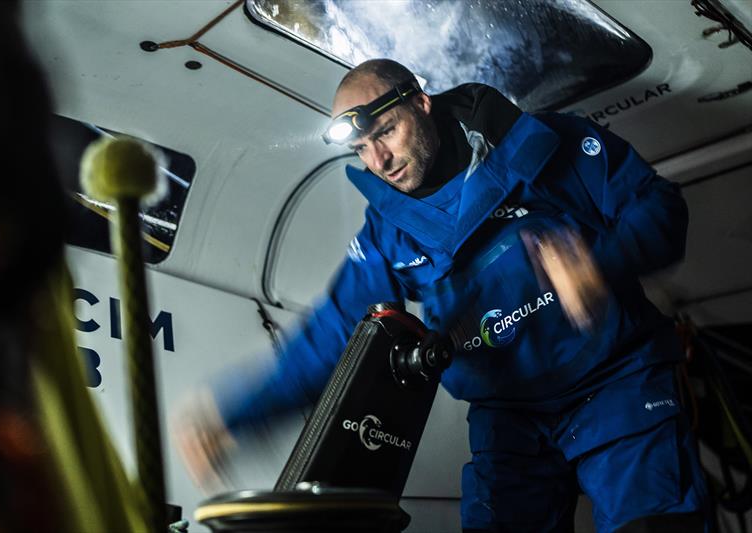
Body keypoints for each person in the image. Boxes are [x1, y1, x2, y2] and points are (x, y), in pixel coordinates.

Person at [174, 59, 710, 532]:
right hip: (509, 420)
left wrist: (601, 265)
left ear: (421, 102)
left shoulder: (546, 144)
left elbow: (660, 207)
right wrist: (236, 413)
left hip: (616, 383)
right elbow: (334, 336)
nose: (379, 160)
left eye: (385, 131)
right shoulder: (388, 230)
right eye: (363, 148)